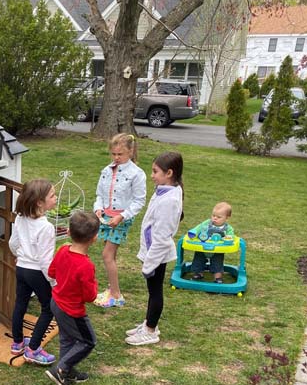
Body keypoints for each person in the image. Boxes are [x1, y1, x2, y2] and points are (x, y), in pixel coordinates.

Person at [125, 151, 184, 347]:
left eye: (155, 171)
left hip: (156, 255)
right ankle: (149, 323)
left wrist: (149, 264)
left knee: (155, 291)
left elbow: (162, 237)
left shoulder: (169, 200)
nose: (152, 175)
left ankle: (150, 331)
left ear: (169, 173)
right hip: (153, 253)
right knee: (152, 291)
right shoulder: (164, 190)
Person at [44, 211, 101, 385]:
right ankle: (61, 369)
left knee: (67, 339)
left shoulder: (62, 250)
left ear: (68, 232)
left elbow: (51, 272)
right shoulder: (86, 265)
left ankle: (66, 371)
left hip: (57, 303)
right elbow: (90, 296)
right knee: (87, 341)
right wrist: (95, 283)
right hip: (72, 311)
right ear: (94, 238)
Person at [92, 133, 146, 308]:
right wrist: (98, 209)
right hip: (106, 218)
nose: (116, 158)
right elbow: (99, 194)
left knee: (107, 255)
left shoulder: (137, 174)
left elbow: (139, 201)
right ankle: (111, 288)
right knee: (111, 256)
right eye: (113, 154)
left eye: (120, 154)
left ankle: (116, 295)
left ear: (130, 151)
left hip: (121, 219)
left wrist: (122, 216)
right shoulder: (106, 171)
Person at [9, 179, 58, 365]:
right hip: (37, 272)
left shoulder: (20, 219)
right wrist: (53, 282)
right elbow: (45, 261)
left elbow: (13, 244)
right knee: (48, 308)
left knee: (20, 303)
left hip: (21, 269)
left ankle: (17, 342)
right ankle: (33, 349)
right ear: (39, 202)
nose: (55, 198)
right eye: (52, 196)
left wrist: (19, 256)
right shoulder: (46, 227)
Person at [189, 202, 234, 284]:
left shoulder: (228, 228)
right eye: (213, 215)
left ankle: (217, 277)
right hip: (203, 246)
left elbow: (231, 237)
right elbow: (199, 227)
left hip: (218, 249)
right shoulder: (207, 223)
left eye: (218, 217)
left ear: (227, 218)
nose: (215, 218)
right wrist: (193, 232)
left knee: (217, 261)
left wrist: (228, 239)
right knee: (198, 259)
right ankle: (198, 273)